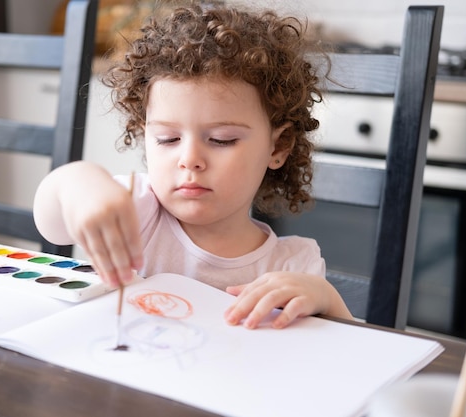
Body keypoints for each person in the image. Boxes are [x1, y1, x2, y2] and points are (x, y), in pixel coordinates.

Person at [33, 2, 353, 329]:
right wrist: (82, 184)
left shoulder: (294, 265)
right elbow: (50, 223)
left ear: (279, 146)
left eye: (222, 139)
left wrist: (326, 298)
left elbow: (354, 353)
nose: (189, 160)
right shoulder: (137, 211)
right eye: (168, 139)